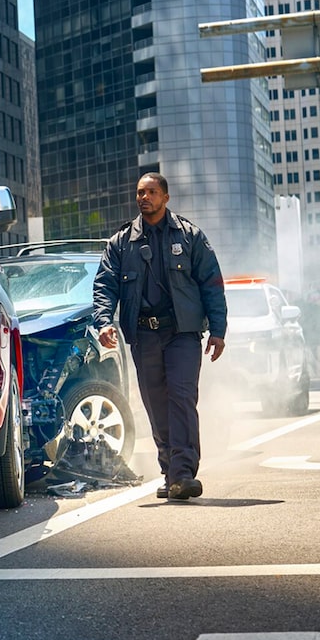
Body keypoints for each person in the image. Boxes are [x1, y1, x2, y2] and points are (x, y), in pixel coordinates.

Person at [92, 173, 227, 501]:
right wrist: (104, 322)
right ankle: (170, 471)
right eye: (140, 192)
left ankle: (183, 472)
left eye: (151, 192)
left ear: (165, 197)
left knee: (181, 396)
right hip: (143, 334)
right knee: (156, 403)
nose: (144, 197)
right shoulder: (121, 243)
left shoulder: (190, 236)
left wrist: (218, 330)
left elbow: (211, 283)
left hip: (182, 333)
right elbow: (104, 286)